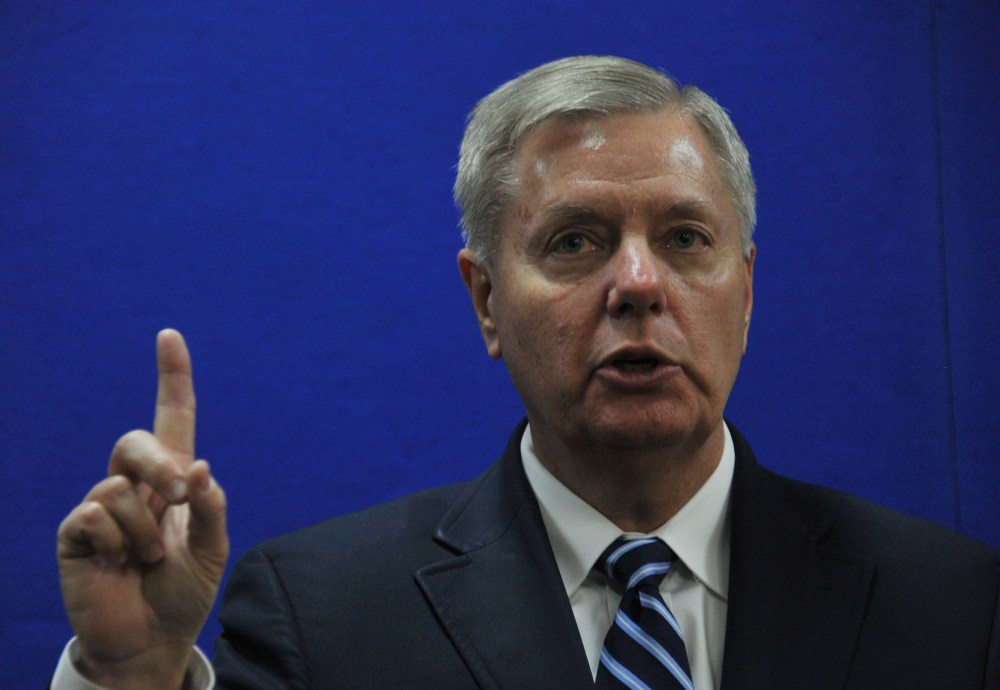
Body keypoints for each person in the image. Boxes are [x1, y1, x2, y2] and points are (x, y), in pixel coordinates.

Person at [53, 56, 999, 689]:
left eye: (685, 239)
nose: (638, 283)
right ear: (486, 303)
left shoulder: (952, 607)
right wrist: (129, 676)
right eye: (576, 241)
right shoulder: (321, 618)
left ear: (744, 292)